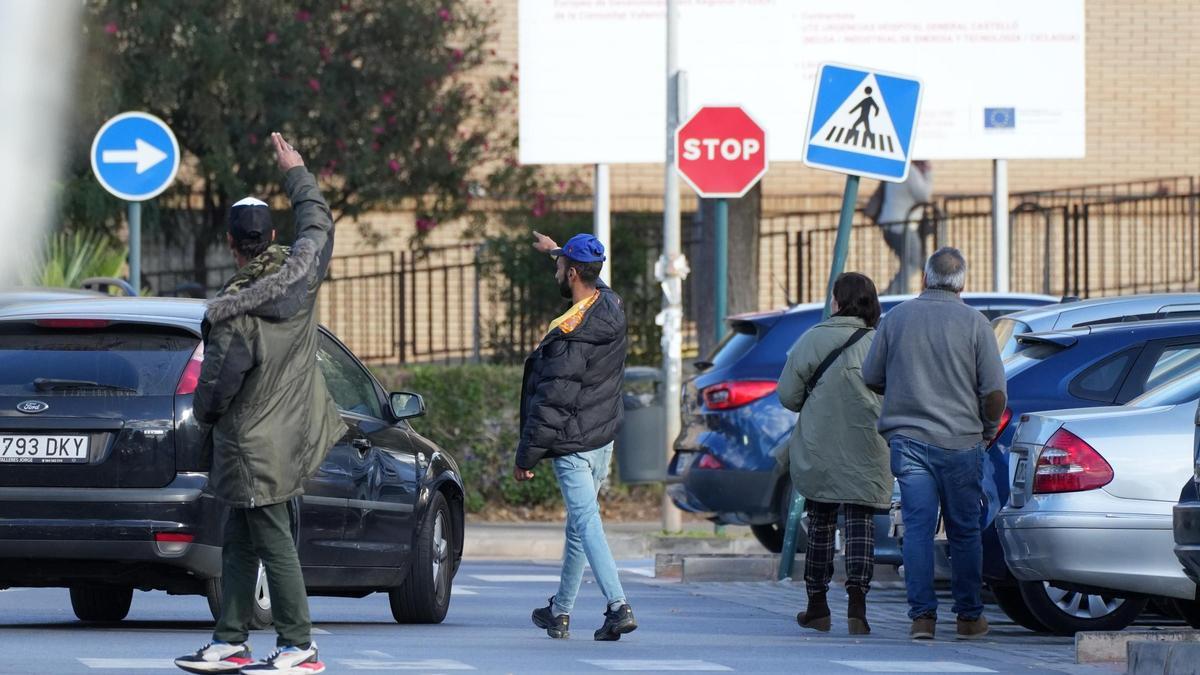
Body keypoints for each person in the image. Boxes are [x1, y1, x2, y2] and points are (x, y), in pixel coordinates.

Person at [175, 133, 345, 675]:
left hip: (251, 442)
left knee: (271, 540)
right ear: (272, 237)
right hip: (289, 434)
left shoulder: (232, 313)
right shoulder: (302, 277)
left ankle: (299, 645)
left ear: (230, 243)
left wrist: (201, 418)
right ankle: (231, 638)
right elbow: (319, 224)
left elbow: (217, 387)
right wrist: (296, 170)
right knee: (240, 540)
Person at [861, 247, 1006, 641]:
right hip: (962, 442)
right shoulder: (977, 324)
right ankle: (969, 617)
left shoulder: (897, 319)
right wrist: (988, 429)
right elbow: (994, 392)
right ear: (963, 283)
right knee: (964, 532)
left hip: (908, 441)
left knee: (918, 529)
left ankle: (922, 619)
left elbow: (871, 375)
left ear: (924, 279)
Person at [515, 231, 638, 642]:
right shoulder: (610, 306)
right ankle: (560, 611)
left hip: (572, 443)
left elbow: (552, 400)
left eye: (559, 266)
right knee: (578, 528)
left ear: (571, 274)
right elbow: (592, 276)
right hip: (602, 439)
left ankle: (618, 606)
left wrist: (526, 457)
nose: (556, 269)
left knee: (587, 523)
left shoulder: (570, 333)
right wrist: (556, 250)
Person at [778, 273, 890, 636]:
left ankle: (817, 606)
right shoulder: (879, 341)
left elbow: (789, 396)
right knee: (860, 522)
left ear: (838, 302)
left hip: (820, 444)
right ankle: (858, 605)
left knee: (822, 521)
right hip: (868, 443)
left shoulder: (813, 338)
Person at [878, 160, 933, 295]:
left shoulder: (901, 169)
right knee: (913, 263)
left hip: (892, 225)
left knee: (915, 262)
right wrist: (928, 174)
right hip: (902, 226)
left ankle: (902, 292)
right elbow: (924, 196)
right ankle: (888, 295)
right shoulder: (910, 171)